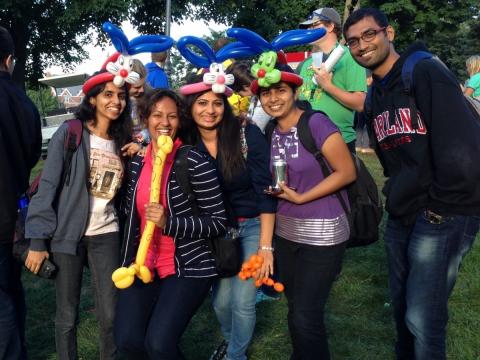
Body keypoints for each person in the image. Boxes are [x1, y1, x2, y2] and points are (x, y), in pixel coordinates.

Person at [343, 8, 480, 359]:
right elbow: (391, 160)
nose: (361, 45)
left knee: (423, 317)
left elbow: (462, 148)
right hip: (403, 210)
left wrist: (438, 208)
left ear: (388, 34)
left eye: (369, 35)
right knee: (403, 311)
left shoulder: (424, 71)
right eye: (353, 41)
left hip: (442, 212)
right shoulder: (375, 96)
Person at [25, 68, 132, 360]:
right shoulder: (71, 133)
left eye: (121, 96)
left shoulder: (123, 140)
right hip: (67, 233)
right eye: (108, 94)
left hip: (106, 233)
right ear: (94, 99)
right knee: (67, 315)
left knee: (111, 314)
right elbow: (47, 186)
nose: (116, 101)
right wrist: (37, 240)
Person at [253, 56, 356, 359]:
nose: (273, 98)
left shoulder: (316, 122)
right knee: (297, 309)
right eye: (267, 93)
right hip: (286, 235)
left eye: (281, 91)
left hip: (323, 235)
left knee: (305, 314)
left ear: (294, 93)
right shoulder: (269, 132)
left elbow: (346, 171)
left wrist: (301, 197)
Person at [114, 89, 228, 359]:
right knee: (127, 340)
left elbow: (218, 222)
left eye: (172, 116)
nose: (164, 122)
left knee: (159, 344)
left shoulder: (194, 161)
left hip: (188, 266)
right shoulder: (137, 164)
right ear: (145, 119)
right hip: (144, 264)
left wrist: (170, 222)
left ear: (180, 122)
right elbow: (132, 216)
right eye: (157, 115)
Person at [180, 70, 276, 360]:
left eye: (217, 103)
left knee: (243, 300)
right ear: (191, 107)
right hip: (216, 233)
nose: (210, 110)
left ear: (226, 105)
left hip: (251, 226)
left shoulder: (247, 134)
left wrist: (266, 245)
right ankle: (232, 343)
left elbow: (265, 190)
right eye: (202, 103)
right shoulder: (185, 142)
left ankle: (236, 356)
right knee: (221, 303)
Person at [0, 25, 42, 360]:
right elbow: (31, 156)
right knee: (11, 290)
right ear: (9, 59)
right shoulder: (23, 103)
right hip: (14, 216)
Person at [297, 7, 367, 152]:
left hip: (338, 141)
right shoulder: (304, 64)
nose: (309, 30)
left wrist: (328, 86)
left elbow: (360, 103)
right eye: (308, 26)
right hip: (306, 140)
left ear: (330, 26)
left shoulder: (350, 57)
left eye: (314, 25)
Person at [226, 60, 273, 132]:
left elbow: (256, 128)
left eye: (236, 91)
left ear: (245, 86)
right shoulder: (255, 97)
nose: (236, 94)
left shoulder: (264, 103)